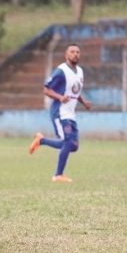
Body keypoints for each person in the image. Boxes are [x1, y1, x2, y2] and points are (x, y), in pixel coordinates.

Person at [28, 44, 92, 183]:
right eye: (72, 52)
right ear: (66, 55)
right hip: (60, 113)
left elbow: (75, 91)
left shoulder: (80, 71)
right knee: (68, 142)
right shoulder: (61, 71)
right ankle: (58, 175)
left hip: (70, 114)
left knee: (74, 146)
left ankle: (41, 140)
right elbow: (46, 89)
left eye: (78, 52)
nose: (75, 54)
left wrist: (84, 102)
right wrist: (60, 97)